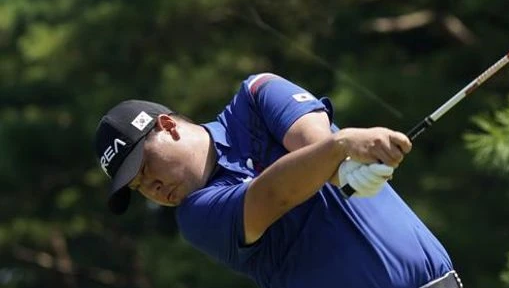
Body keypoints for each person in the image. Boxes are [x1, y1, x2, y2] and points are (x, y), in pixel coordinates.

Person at [94, 72, 462, 288]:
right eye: (139, 187)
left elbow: (315, 141)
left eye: (146, 168)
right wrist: (343, 149)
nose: (152, 189)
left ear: (168, 126)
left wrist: (340, 158)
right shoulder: (196, 216)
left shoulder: (254, 98)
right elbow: (272, 195)